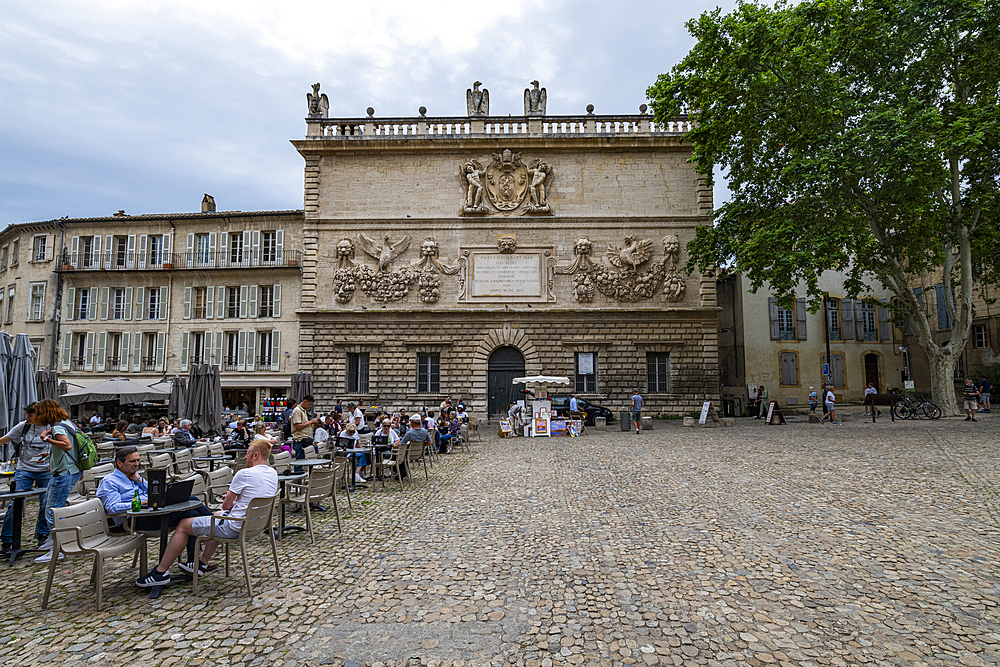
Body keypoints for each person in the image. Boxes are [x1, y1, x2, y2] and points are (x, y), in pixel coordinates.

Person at [136, 440, 278, 586]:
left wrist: (232, 499)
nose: (245, 457)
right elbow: (254, 502)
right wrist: (239, 503)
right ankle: (202, 563)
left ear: (255, 455)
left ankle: (160, 572)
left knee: (184, 525)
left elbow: (226, 505)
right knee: (217, 516)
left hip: (236, 528)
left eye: (247, 454)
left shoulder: (244, 474)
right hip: (255, 525)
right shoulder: (273, 473)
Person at [96, 446, 211, 564]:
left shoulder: (134, 476)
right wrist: (140, 503)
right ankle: (215, 525)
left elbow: (155, 491)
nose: (136, 464)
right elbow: (112, 508)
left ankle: (194, 560)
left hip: (152, 511)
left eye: (138, 460)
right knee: (191, 512)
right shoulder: (110, 482)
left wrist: (139, 480)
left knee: (192, 510)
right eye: (132, 461)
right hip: (133, 520)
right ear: (119, 463)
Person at [33, 399, 81, 564]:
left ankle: (59, 547)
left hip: (63, 473)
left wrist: (46, 439)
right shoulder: (67, 423)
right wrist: (50, 455)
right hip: (70, 470)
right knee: (52, 507)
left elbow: (66, 446)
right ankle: (55, 541)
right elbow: (70, 447)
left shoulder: (59, 427)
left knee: (52, 511)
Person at [0, 403, 50, 552]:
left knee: (45, 503)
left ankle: (43, 536)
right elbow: (4, 439)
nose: (26, 418)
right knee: (15, 503)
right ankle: (7, 541)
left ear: (40, 416)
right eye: (27, 415)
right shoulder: (24, 426)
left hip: (45, 470)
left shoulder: (52, 427)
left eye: (30, 416)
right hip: (25, 469)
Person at [290, 394, 321, 461]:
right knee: (299, 461)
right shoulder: (297, 410)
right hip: (299, 439)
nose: (309, 406)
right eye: (309, 404)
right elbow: (298, 426)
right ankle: (298, 472)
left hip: (304, 439)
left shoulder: (303, 411)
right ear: (305, 402)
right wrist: (311, 422)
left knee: (303, 460)